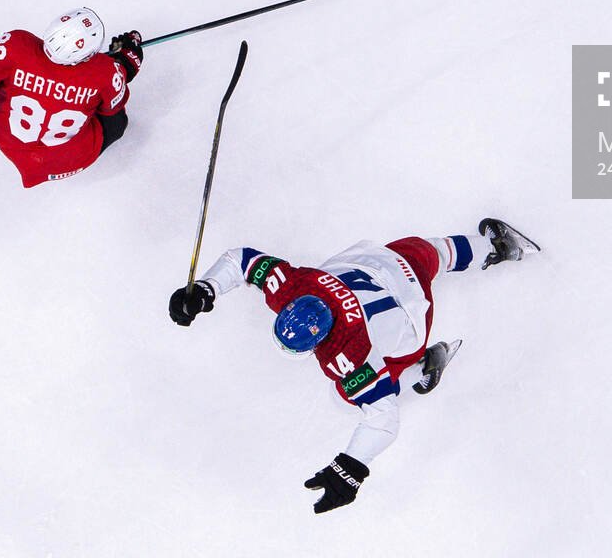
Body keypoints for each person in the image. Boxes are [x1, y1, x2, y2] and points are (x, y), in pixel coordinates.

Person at [169, 218, 540, 512]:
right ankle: (494, 246)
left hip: (411, 316)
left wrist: (352, 468)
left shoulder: (346, 356)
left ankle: (419, 368)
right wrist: (206, 289)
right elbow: (242, 259)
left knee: (352, 393)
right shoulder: (295, 287)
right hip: (390, 266)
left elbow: (383, 416)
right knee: (430, 252)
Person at [0, 9, 145, 187]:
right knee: (118, 120)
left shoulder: (15, 45)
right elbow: (113, 106)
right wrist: (125, 63)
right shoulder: (104, 72)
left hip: (7, 138)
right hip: (67, 160)